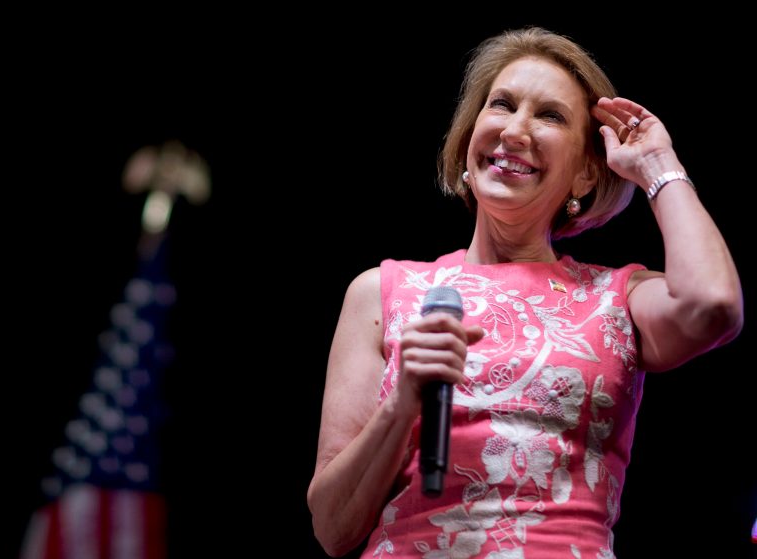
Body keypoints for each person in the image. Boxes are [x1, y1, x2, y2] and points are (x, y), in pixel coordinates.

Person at [307, 27, 743, 558]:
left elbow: (713, 306)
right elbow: (332, 529)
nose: (515, 131)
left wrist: (657, 166)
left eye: (549, 116)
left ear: (585, 173)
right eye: (502, 105)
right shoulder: (382, 292)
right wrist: (400, 407)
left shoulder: (618, 295)